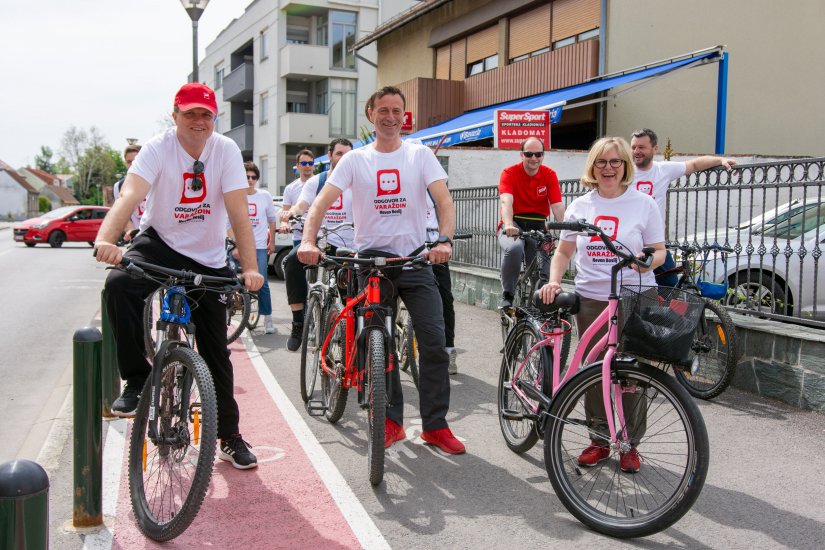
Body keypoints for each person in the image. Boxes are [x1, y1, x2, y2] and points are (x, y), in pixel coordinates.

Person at [94, 82, 264, 470]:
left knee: (216, 352)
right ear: (175, 116)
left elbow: (238, 212)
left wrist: (251, 268)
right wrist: (106, 238)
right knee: (118, 284)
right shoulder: (157, 148)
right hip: (160, 242)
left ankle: (229, 435)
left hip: (207, 255)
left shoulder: (226, 150)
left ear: (214, 118)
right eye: (190, 114)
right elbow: (130, 196)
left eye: (205, 114)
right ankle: (137, 379)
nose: (198, 121)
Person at [297, 86, 465, 455]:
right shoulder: (355, 160)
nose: (390, 117)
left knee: (434, 343)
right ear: (370, 114)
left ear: (404, 116)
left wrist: (444, 241)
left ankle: (436, 425)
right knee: (379, 344)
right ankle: (389, 421)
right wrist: (308, 241)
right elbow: (321, 204)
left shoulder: (419, 155)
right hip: (370, 261)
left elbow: (443, 200)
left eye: (397, 111)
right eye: (383, 110)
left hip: (415, 259)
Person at [538, 136, 666, 474]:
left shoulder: (644, 204)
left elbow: (659, 250)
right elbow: (564, 251)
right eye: (601, 162)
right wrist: (554, 280)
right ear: (592, 167)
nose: (608, 168)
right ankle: (599, 439)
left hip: (636, 296)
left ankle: (628, 444)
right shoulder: (581, 205)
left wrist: (645, 261)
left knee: (632, 375)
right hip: (593, 296)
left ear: (625, 165)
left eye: (614, 162)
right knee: (595, 370)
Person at [630, 128, 736, 286]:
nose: (636, 151)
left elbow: (693, 164)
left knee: (670, 284)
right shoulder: (624, 173)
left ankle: (656, 310)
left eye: (641, 147)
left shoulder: (662, 170)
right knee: (630, 284)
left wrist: (720, 161)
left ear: (655, 148)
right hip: (630, 242)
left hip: (654, 244)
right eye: (633, 147)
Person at [281, 139, 355, 348]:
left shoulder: (357, 181)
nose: (343, 159)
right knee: (291, 262)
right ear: (330, 155)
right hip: (320, 241)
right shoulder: (317, 182)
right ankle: (298, 323)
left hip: (347, 245)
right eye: (339, 154)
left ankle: (353, 336)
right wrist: (290, 214)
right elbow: (302, 206)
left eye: (348, 155)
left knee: (352, 292)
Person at [498, 136, 565, 308]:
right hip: (515, 224)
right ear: (521, 155)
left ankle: (540, 307)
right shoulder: (509, 172)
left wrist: (566, 229)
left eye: (538, 154)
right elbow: (506, 200)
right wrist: (508, 224)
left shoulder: (549, 175)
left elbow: (557, 207)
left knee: (541, 268)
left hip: (538, 225)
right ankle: (508, 293)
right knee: (514, 249)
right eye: (529, 154)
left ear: (543, 155)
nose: (534, 158)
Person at [228, 161, 278, 334]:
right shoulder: (235, 195)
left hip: (259, 246)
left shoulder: (264, 196)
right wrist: (235, 245)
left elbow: (272, 219)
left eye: (253, 177)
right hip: (238, 246)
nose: (250, 180)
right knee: (230, 280)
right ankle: (231, 311)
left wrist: (272, 242)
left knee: (262, 281)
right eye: (246, 176)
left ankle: (268, 318)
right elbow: (228, 223)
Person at [279, 149, 316, 351]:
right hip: (300, 237)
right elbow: (287, 211)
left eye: (311, 163)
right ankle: (298, 321)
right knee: (292, 265)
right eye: (304, 163)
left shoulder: (322, 183)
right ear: (297, 166)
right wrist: (286, 221)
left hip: (326, 236)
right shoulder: (292, 188)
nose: (308, 166)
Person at [425, 190, 458, 375]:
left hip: (433, 246)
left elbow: (445, 209)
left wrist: (444, 241)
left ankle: (448, 349)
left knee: (445, 298)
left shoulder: (433, 186)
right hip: (405, 246)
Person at [112, 144, 145, 241]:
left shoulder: (157, 180)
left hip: (159, 237)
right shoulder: (119, 186)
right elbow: (123, 215)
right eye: (129, 162)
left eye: (136, 160)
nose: (132, 164)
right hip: (137, 238)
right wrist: (132, 232)